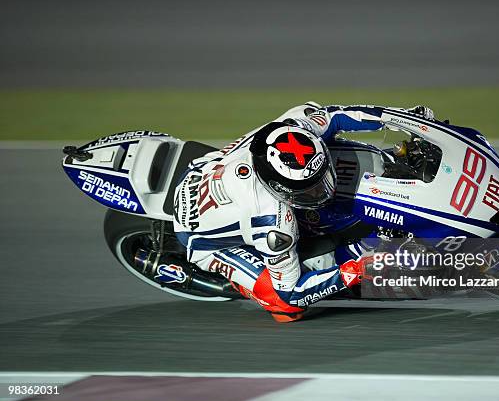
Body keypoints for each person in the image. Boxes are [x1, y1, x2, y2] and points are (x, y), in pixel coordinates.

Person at [172, 102, 435, 322]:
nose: (323, 190)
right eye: (309, 190)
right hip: (201, 235)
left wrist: (400, 118)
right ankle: (240, 283)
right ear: (278, 189)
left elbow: (338, 116)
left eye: (322, 179)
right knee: (286, 310)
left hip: (204, 168)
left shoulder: (293, 126)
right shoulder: (273, 224)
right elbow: (293, 293)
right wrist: (360, 269)